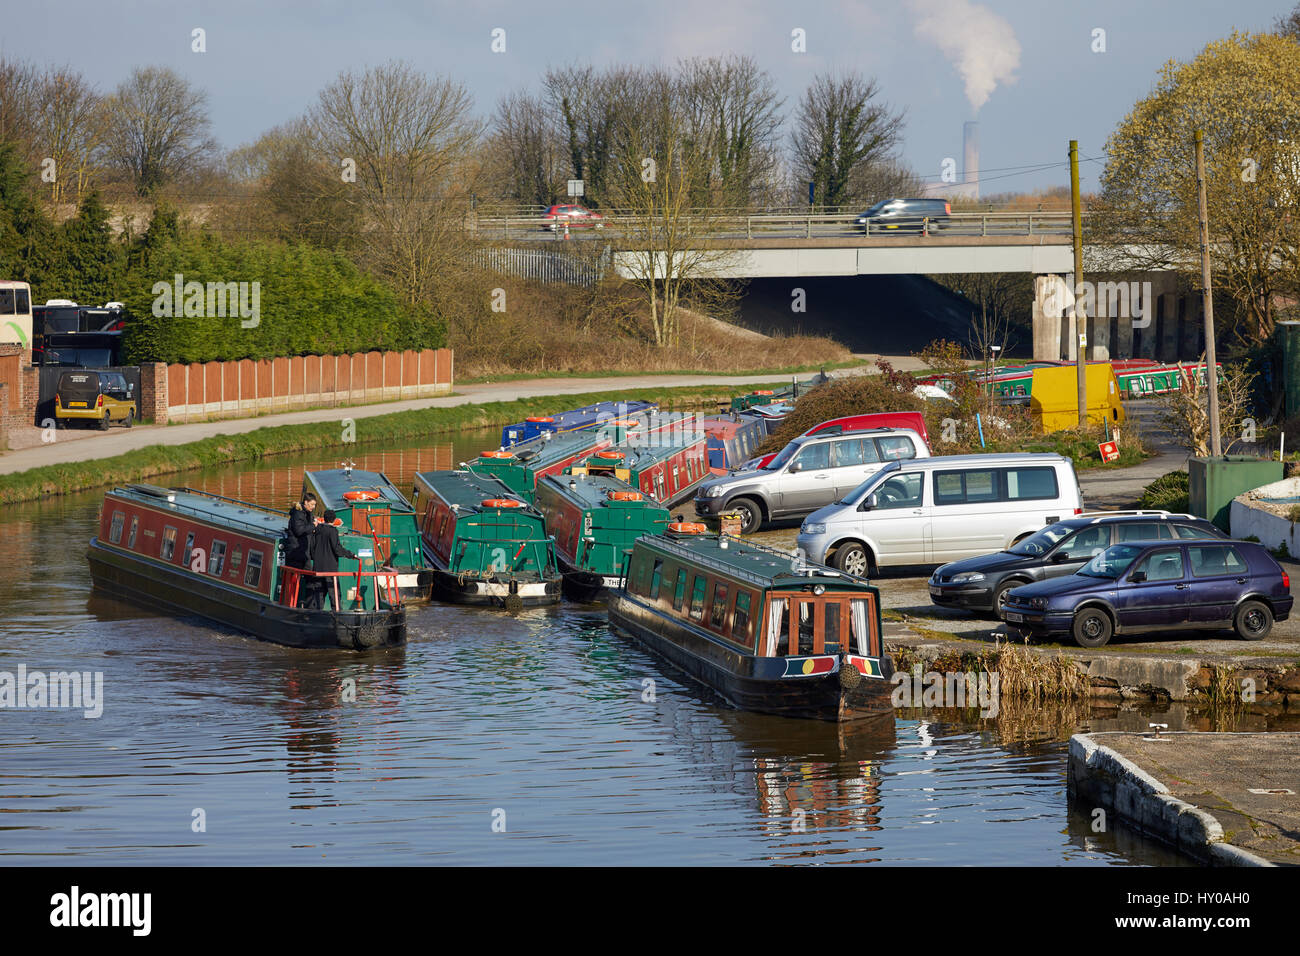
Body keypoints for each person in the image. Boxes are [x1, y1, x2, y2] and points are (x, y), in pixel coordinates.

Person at [307, 510, 358, 610]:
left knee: (318, 594)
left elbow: (312, 547)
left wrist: (315, 557)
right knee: (334, 593)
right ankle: (337, 614)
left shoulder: (317, 529)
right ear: (334, 520)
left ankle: (316, 614)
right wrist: (351, 555)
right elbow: (337, 549)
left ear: (324, 518)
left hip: (318, 567)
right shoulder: (333, 531)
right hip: (330, 568)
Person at [285, 493, 317, 607]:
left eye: (314, 505)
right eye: (312, 504)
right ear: (306, 502)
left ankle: (309, 604)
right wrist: (313, 526)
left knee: (310, 578)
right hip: (296, 552)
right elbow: (299, 531)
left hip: (304, 552)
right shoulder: (298, 514)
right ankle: (291, 604)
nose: (313, 507)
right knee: (294, 580)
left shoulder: (307, 513)